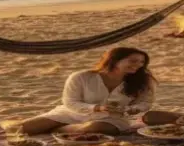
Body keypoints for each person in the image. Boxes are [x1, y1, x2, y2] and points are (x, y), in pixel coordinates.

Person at [17, 47, 156, 136]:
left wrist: (131, 109)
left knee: (94, 129)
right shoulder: (81, 76)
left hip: (111, 118)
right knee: (23, 128)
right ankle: (63, 126)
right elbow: (70, 102)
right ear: (114, 61)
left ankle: (59, 129)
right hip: (73, 114)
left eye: (141, 62)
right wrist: (96, 107)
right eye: (133, 61)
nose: (138, 65)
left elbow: (145, 102)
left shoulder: (143, 80)